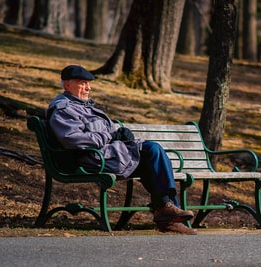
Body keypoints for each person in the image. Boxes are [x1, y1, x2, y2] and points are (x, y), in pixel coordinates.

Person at [47, 65, 197, 235]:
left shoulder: (84, 105)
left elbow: (107, 129)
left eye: (89, 84)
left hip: (109, 155)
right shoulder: (64, 109)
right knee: (151, 153)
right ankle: (167, 213)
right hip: (92, 159)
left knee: (153, 152)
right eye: (83, 83)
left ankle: (167, 211)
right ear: (68, 85)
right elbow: (72, 139)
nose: (88, 88)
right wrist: (109, 137)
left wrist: (120, 133)